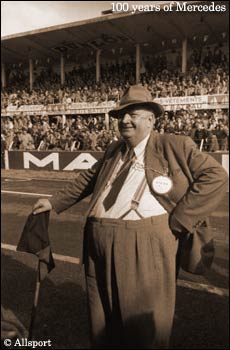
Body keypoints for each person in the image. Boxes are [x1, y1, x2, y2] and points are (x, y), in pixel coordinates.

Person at [33, 85, 228, 349]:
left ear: (151, 119)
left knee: (142, 326)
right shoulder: (115, 149)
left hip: (142, 243)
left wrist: (180, 219)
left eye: (133, 113)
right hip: (98, 243)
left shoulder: (173, 144)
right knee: (101, 319)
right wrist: (54, 202)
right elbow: (87, 179)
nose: (124, 120)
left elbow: (215, 177)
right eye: (121, 115)